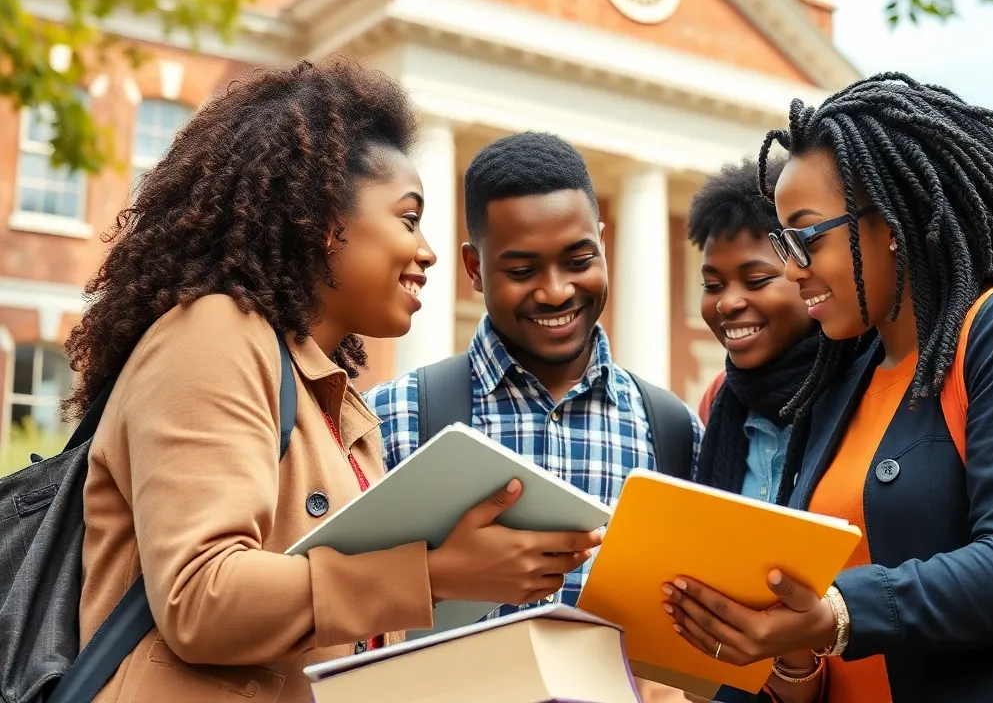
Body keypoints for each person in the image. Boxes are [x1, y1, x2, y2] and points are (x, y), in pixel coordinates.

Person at [69, 60, 602, 703]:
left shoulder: (335, 399)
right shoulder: (212, 334)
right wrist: (432, 574)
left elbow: (339, 628)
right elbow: (200, 598)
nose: (429, 250)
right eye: (409, 218)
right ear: (325, 221)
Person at [661, 75, 993, 703]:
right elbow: (824, 642)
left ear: (895, 222)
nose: (794, 270)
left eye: (807, 236)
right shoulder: (841, 380)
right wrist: (788, 651)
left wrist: (836, 613)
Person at [368, 131, 703, 619]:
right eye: (523, 271)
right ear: (474, 268)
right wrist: (434, 575)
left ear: (603, 247)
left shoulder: (674, 432)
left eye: (579, 260)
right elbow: (340, 615)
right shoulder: (393, 418)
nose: (555, 291)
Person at [688, 157, 819, 502]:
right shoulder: (719, 399)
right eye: (712, 285)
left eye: (756, 280)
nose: (728, 303)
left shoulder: (868, 382)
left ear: (808, 274)